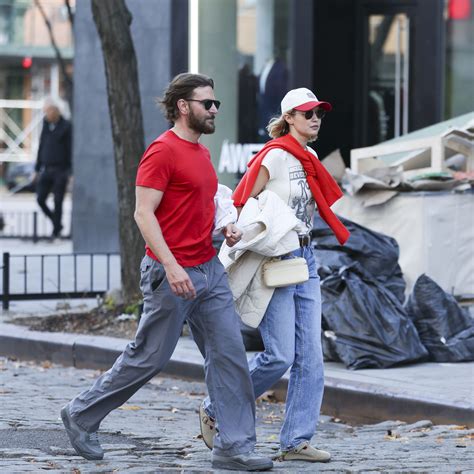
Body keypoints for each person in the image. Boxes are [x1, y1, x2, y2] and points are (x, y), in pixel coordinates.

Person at [60, 73, 273, 472]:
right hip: (170, 272)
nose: (214, 110)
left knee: (229, 355)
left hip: (209, 270)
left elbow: (200, 203)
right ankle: (81, 414)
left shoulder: (202, 153)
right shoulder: (162, 152)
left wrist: (222, 227)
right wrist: (173, 266)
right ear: (182, 106)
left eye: (215, 104)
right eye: (206, 103)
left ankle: (233, 446)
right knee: (148, 358)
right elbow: (143, 213)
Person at [201, 88, 350, 463]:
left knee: (311, 358)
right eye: (307, 113)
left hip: (306, 258)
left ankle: (296, 441)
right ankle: (218, 406)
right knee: (280, 355)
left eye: (319, 113)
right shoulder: (274, 157)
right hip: (275, 259)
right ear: (289, 119)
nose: (315, 118)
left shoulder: (311, 157)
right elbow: (239, 202)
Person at [34, 98, 72, 238]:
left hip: (60, 170)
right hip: (46, 169)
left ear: (55, 111)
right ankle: (57, 224)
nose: (46, 114)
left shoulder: (66, 126)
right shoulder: (45, 125)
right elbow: (41, 146)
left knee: (58, 201)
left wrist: (70, 172)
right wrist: (37, 169)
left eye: (48, 111)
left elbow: (70, 149)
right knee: (40, 199)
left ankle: (56, 231)